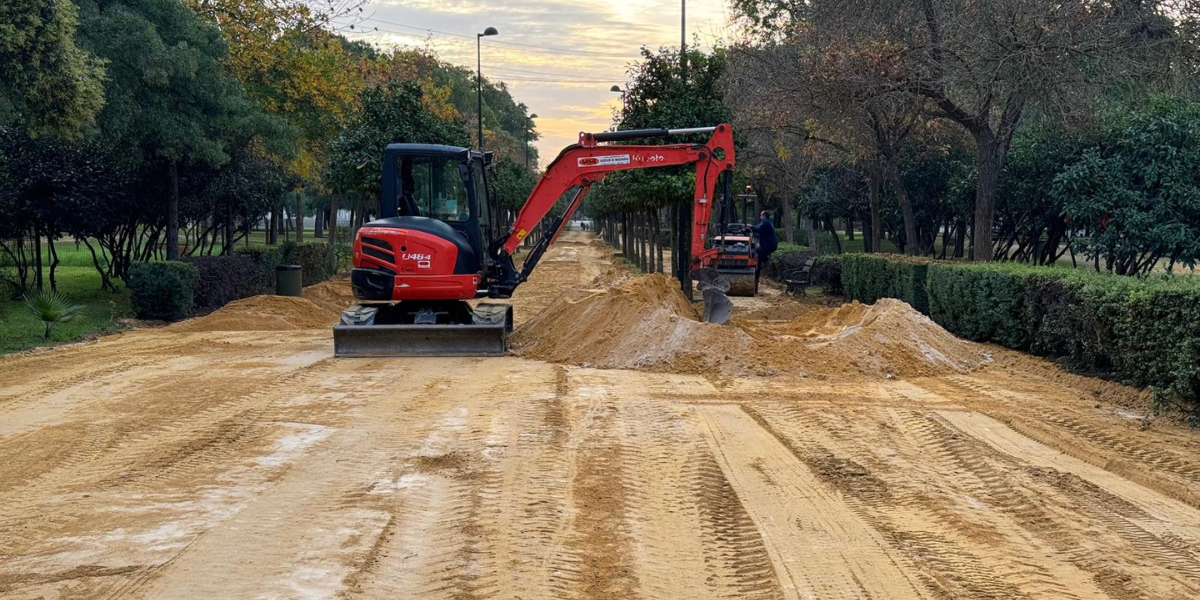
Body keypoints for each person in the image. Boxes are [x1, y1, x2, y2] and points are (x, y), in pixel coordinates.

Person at [749, 210, 778, 280]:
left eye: (761, 215)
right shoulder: (768, 222)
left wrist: (751, 226)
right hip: (771, 244)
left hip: (768, 244)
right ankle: (765, 260)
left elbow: (758, 228)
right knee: (758, 252)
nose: (760, 216)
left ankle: (757, 275)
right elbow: (758, 226)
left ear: (764, 216)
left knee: (758, 255)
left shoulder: (765, 222)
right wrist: (752, 227)